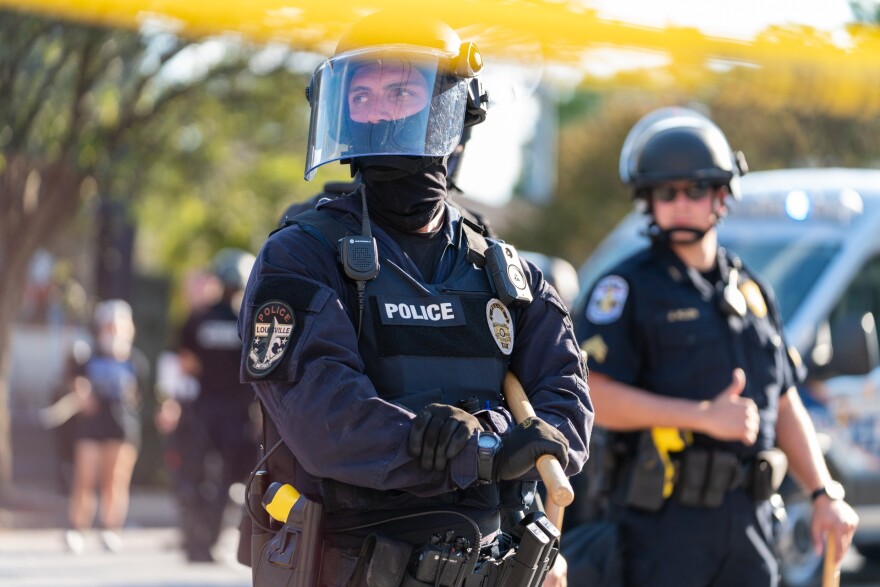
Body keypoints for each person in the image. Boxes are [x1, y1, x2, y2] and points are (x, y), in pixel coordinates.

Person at [239, 12, 592, 587]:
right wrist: (480, 455)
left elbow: (565, 410)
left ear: (452, 110)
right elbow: (329, 426)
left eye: (400, 91)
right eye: (363, 94)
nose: (379, 114)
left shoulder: (507, 273)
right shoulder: (301, 258)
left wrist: (488, 434)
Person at [571, 106, 859, 586]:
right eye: (667, 191)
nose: (681, 202)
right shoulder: (624, 290)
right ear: (649, 200)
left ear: (722, 195)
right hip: (661, 530)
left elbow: (784, 401)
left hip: (751, 526)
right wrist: (701, 415)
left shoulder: (754, 292)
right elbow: (591, 396)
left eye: (696, 189)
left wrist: (824, 494)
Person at [159, 248, 260, 563]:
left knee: (195, 474)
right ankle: (212, 541)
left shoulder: (198, 318)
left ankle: (193, 542)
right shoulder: (250, 322)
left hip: (203, 410)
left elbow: (186, 364)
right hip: (238, 414)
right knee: (227, 476)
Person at [64, 299, 142, 554]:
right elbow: (75, 383)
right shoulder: (87, 356)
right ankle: (77, 528)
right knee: (84, 478)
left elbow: (138, 395)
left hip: (122, 427)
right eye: (108, 326)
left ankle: (110, 529)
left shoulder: (136, 360)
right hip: (90, 426)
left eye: (118, 326)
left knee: (115, 480)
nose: (113, 331)